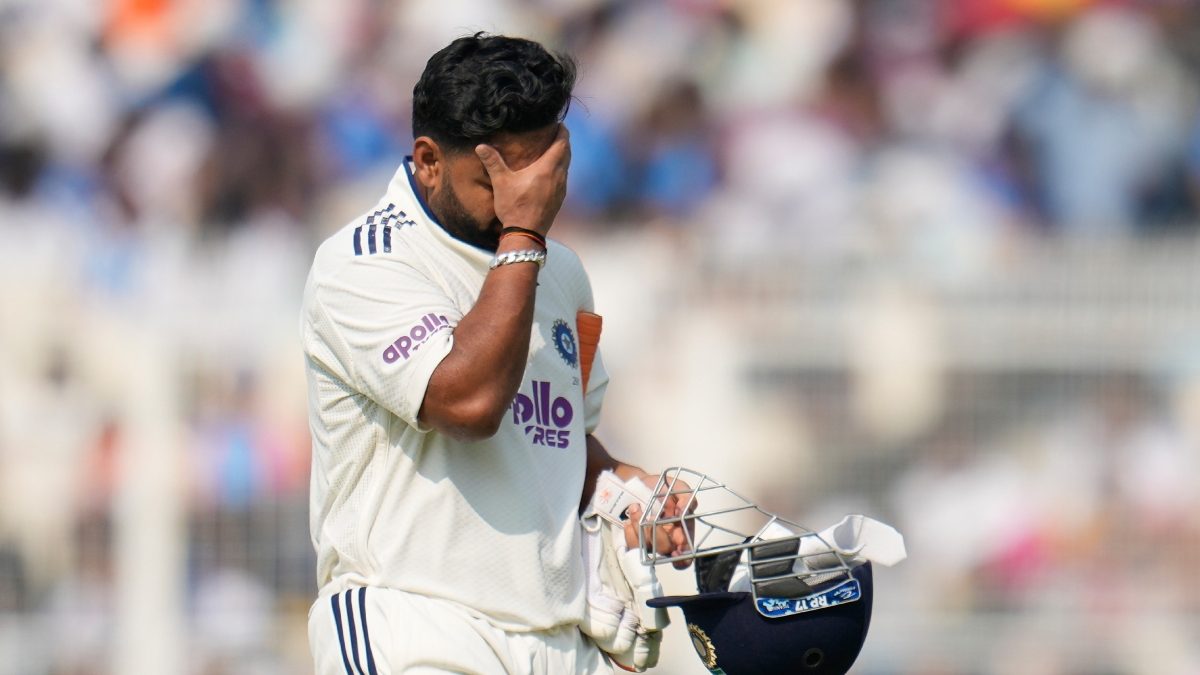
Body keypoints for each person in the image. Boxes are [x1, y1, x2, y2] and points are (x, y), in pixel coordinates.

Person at [301, 33, 687, 674]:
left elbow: (551, 441)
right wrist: (524, 236)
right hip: (417, 628)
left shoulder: (561, 273)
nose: (525, 196)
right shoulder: (363, 263)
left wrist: (625, 489)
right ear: (428, 159)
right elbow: (470, 403)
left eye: (540, 172)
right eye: (497, 179)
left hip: (558, 643)